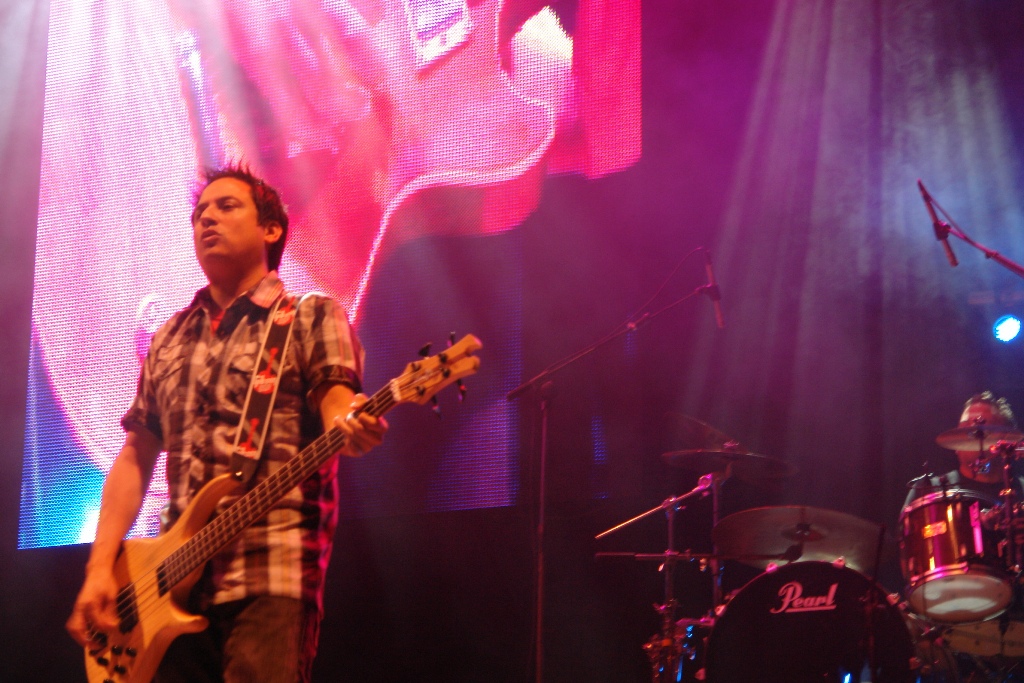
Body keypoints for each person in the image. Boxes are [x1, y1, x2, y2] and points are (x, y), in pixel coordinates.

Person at [65, 164, 387, 682]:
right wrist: (101, 567)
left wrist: (349, 424)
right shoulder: (169, 337)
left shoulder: (311, 316)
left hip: (272, 574)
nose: (207, 219)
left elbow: (337, 406)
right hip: (167, 586)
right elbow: (134, 458)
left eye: (226, 206)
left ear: (271, 229)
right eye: (199, 213)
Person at [904, 391, 1023, 507]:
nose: (973, 433)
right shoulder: (927, 492)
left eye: (984, 429)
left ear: (1009, 442)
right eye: (965, 428)